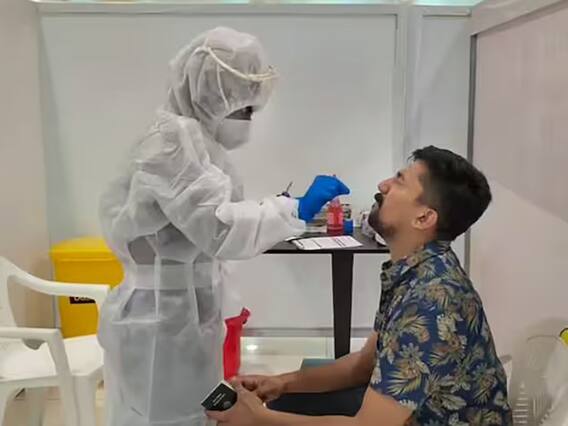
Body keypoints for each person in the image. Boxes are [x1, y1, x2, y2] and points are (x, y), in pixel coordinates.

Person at [97, 27, 349, 426]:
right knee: (163, 417)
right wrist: (294, 209)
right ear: (209, 95)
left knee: (198, 413)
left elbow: (212, 217)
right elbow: (218, 227)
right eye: (242, 109)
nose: (247, 121)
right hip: (157, 320)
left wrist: (283, 210)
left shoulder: (198, 143)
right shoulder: (170, 141)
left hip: (184, 313)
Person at [207, 146, 513, 426]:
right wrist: (280, 383)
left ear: (423, 217)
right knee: (287, 399)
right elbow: (362, 367)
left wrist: (259, 419)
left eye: (399, 182)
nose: (383, 185)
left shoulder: (431, 303)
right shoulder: (412, 271)